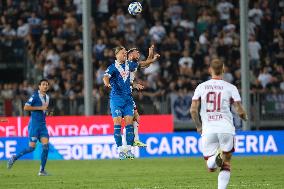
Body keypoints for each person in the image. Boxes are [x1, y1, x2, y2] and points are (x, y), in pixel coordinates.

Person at [190, 59, 247, 189]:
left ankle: (216, 156)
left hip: (208, 129)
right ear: (223, 70)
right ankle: (219, 157)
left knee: (211, 168)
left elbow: (193, 110)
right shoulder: (231, 88)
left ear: (210, 70)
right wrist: (245, 117)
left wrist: (198, 126)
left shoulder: (201, 87)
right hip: (226, 128)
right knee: (226, 162)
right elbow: (240, 110)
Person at [103, 46, 159, 160]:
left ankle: (128, 150)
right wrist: (107, 84)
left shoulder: (129, 65)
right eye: (122, 53)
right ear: (117, 55)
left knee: (130, 124)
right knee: (118, 125)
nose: (124, 54)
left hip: (128, 99)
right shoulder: (113, 67)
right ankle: (120, 150)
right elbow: (105, 77)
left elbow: (143, 64)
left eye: (125, 53)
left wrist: (152, 59)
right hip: (116, 99)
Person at [7, 79, 51, 176]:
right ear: (39, 86)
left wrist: (47, 113)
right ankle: (14, 157)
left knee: (46, 147)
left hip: (43, 125)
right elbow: (26, 107)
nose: (45, 86)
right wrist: (40, 108)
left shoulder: (47, 97)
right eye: (43, 84)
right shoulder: (35, 96)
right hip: (34, 125)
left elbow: (43, 111)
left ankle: (41, 170)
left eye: (47, 85)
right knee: (31, 148)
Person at [122, 46, 158, 148]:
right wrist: (153, 58)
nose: (138, 54)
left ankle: (135, 140)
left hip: (126, 94)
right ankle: (125, 145)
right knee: (131, 120)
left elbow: (146, 65)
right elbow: (145, 64)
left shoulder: (131, 65)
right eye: (136, 52)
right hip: (123, 95)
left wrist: (150, 54)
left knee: (135, 117)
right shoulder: (128, 64)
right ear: (130, 54)